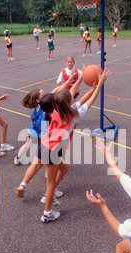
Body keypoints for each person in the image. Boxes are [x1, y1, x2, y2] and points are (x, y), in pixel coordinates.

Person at [39, 68, 111, 222]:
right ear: (69, 101)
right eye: (72, 97)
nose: (73, 96)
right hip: (52, 149)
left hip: (46, 145)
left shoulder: (56, 108)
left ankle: (49, 195)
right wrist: (99, 84)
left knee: (64, 168)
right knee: (50, 184)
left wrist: (85, 84)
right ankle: (47, 213)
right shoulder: (73, 116)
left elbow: (71, 95)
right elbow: (89, 101)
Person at [14, 88, 45, 166]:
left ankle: (18, 157)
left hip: (35, 129)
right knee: (30, 145)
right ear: (38, 100)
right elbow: (54, 92)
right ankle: (17, 157)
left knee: (34, 146)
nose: (45, 96)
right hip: (36, 130)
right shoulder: (43, 105)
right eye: (43, 95)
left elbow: (54, 91)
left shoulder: (40, 104)